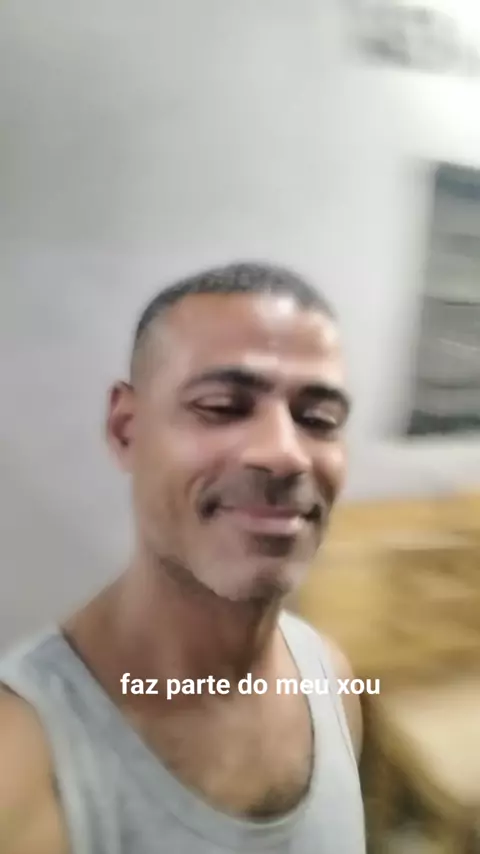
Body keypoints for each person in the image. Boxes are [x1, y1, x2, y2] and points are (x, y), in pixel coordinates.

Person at [0, 261, 366, 853]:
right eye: (221, 406)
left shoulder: (332, 679)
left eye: (318, 420)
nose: (285, 454)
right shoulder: (24, 763)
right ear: (126, 429)